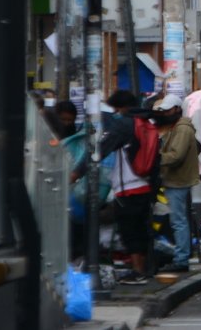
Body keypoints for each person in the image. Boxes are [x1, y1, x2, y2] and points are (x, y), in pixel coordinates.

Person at [82, 90, 155, 285]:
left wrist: (77, 172)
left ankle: (138, 271)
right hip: (145, 185)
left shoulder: (124, 125)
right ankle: (143, 270)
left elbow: (101, 150)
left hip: (128, 187)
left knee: (129, 230)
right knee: (140, 229)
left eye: (115, 109)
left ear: (122, 108)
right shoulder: (146, 123)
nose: (115, 113)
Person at [154, 94, 200, 273]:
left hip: (178, 180)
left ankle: (181, 259)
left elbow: (176, 155)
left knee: (178, 221)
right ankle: (181, 256)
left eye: (167, 110)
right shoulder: (177, 127)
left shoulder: (182, 129)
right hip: (176, 179)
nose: (164, 114)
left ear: (176, 110)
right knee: (178, 220)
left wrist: (155, 158)